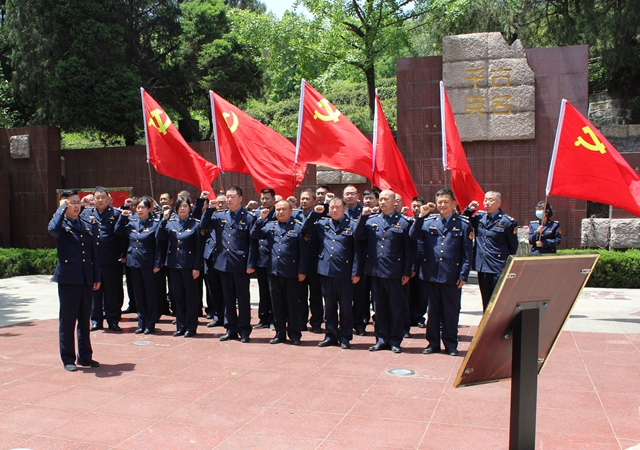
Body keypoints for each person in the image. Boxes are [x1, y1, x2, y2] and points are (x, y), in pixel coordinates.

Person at [410, 189, 473, 356]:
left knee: (450, 311)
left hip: (451, 275)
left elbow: (467, 253)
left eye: (446, 202)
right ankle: (433, 343)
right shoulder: (428, 221)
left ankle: (451, 344)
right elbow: (413, 235)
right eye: (439, 202)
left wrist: (463, 275)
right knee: (433, 311)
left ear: (453, 204)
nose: (442, 205)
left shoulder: (463, 224)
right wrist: (420, 216)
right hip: (431, 273)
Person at [48, 190, 101, 372]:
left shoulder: (86, 225)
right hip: (69, 279)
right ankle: (68, 358)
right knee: (68, 321)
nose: (77, 205)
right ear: (65, 204)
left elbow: (93, 254)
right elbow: (52, 230)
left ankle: (85, 356)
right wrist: (60, 209)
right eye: (72, 202)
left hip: (86, 278)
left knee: (84, 320)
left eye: (78, 202)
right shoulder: (61, 224)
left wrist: (96, 277)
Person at [357, 190, 413, 353]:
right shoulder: (371, 220)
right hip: (376, 270)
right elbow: (359, 237)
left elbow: (409, 250)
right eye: (380, 199)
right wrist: (363, 217)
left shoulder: (403, 222)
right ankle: (381, 339)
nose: (382, 202)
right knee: (379, 307)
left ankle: (395, 340)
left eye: (386, 199)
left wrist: (407, 271)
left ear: (394, 201)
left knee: (395, 307)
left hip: (395, 271)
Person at [303, 197, 362, 349]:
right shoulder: (322, 223)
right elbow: (305, 229)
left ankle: (345, 336)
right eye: (331, 208)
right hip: (326, 271)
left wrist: (356, 271)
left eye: (337, 207)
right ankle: (330, 335)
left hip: (345, 272)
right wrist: (315, 214)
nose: (334, 210)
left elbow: (358, 250)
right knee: (329, 306)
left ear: (344, 209)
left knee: (345, 307)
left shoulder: (353, 225)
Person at [201, 187, 257, 343]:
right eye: (227, 196)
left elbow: (252, 243)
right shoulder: (219, 216)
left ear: (241, 198)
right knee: (228, 299)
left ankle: (244, 330)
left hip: (240, 264)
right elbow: (203, 225)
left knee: (243, 299)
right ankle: (230, 329)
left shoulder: (249, 217)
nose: (229, 199)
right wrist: (210, 208)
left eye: (233, 196)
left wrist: (251, 263)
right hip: (222, 263)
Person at [252, 200, 308, 345]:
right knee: (277, 305)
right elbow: (254, 234)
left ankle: (295, 334)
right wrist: (261, 219)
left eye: (284, 209)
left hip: (291, 272)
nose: (281, 212)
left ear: (291, 211)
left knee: (292, 305)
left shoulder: (298, 227)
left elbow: (303, 253)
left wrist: (302, 271)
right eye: (278, 210)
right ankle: (280, 333)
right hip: (274, 271)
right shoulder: (270, 226)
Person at [156, 197, 204, 337]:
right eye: (179, 206)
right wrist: (164, 219)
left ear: (190, 208)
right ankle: (180, 326)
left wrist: (197, 267)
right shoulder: (171, 223)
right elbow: (159, 236)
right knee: (178, 297)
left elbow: (199, 248)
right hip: (174, 265)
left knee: (190, 297)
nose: (182, 208)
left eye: (185, 206)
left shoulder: (195, 224)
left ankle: (190, 327)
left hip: (189, 266)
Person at [115, 197, 162, 334]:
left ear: (149, 209)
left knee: (150, 294)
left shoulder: (155, 223)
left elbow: (158, 246)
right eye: (138, 207)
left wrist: (157, 263)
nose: (140, 210)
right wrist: (123, 217)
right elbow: (118, 231)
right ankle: (141, 323)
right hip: (133, 262)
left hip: (148, 263)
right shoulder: (132, 221)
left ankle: (150, 323)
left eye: (143, 207)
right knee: (138, 294)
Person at [81, 186, 126, 332]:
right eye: (97, 197)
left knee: (112, 291)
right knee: (94, 292)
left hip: (112, 260)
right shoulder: (86, 213)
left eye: (103, 197)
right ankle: (96, 320)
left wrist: (122, 255)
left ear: (108, 198)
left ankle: (113, 320)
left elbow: (122, 237)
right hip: (93, 260)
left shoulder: (116, 214)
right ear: (93, 199)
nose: (100, 200)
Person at [464, 191, 518, 310]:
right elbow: (463, 220)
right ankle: (487, 325)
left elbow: (513, 247)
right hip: (482, 266)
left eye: (491, 200)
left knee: (499, 300)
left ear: (499, 203)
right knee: (486, 300)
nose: (487, 202)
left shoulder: (507, 222)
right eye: (485, 200)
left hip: (497, 267)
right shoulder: (479, 218)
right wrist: (469, 209)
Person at [297, 188, 324, 333]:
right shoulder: (294, 214)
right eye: (302, 198)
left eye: (307, 199)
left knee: (316, 294)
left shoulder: (322, 215)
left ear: (314, 201)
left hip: (315, 259)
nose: (304, 201)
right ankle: (301, 321)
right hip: (299, 260)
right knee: (300, 294)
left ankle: (317, 322)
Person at [253, 188, 276, 330]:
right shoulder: (257, 214)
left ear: (273, 199)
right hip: (260, 258)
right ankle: (263, 318)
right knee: (263, 290)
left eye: (267, 198)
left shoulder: (278, 213)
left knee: (273, 291)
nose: (265, 201)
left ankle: (275, 318)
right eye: (263, 198)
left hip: (274, 259)